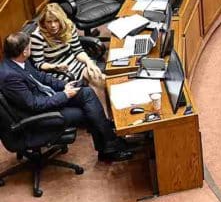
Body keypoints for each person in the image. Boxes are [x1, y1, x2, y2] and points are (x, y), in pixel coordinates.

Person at [0, 32, 132, 162]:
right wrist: (64, 95)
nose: (31, 50)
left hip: (47, 97)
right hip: (37, 116)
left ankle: (109, 144)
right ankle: (109, 146)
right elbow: (34, 104)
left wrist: (65, 85)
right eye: (30, 47)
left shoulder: (19, 61)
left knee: (86, 92)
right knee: (88, 112)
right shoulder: (10, 77)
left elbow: (41, 77)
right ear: (24, 52)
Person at [30, 3, 106, 102]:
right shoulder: (37, 37)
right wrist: (55, 67)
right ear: (43, 22)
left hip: (74, 63)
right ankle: (101, 112)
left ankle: (105, 113)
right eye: (49, 22)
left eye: (56, 21)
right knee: (94, 87)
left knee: (99, 78)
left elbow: (77, 50)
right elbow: (39, 64)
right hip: (56, 70)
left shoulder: (68, 26)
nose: (53, 25)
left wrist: (88, 62)